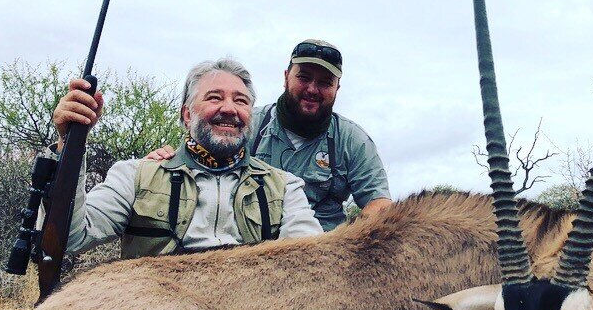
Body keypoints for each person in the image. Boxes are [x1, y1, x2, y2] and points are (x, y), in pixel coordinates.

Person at [52, 58, 322, 258]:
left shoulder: (285, 187)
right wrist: (70, 144)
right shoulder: (135, 175)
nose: (229, 108)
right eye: (214, 98)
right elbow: (72, 238)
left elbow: (310, 258)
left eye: (241, 101)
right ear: (187, 115)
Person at [149, 40, 391, 230]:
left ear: (337, 87)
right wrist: (166, 161)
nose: (312, 89)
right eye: (304, 77)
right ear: (286, 77)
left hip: (323, 254)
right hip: (252, 249)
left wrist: (344, 242)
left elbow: (380, 204)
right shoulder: (246, 123)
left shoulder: (353, 141)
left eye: (325, 82)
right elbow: (199, 156)